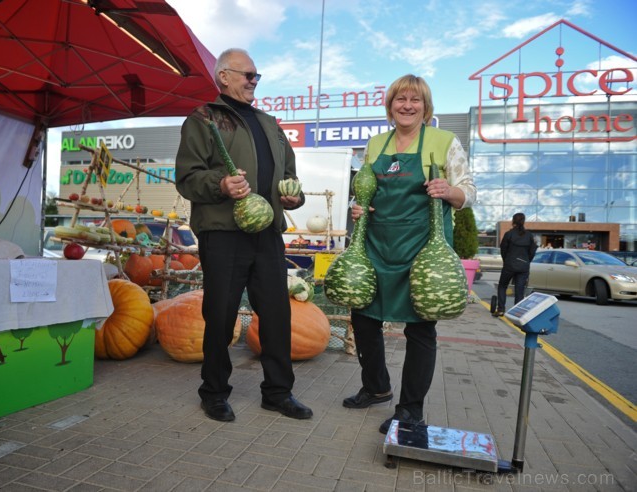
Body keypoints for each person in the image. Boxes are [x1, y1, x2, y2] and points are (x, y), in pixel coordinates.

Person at [175, 48, 313, 422]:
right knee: (220, 315)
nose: (254, 81)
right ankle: (214, 392)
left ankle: (278, 392)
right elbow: (186, 178)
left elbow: (292, 179)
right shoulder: (203, 119)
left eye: (257, 76)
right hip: (223, 233)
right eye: (248, 75)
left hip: (267, 231)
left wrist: (293, 196)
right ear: (224, 76)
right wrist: (221, 184)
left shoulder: (271, 124)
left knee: (277, 314)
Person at [342, 75, 477, 435]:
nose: (407, 105)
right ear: (390, 106)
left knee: (419, 329)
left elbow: (469, 192)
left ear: (425, 107)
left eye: (414, 100)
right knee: (364, 319)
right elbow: (365, 192)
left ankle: (410, 410)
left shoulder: (444, 141)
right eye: (400, 99)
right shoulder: (375, 145)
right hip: (377, 244)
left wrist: (449, 190)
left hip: (423, 248)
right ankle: (376, 387)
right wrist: (360, 208)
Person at [493, 213, 538, 316]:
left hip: (509, 265)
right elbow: (532, 252)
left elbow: (503, 250)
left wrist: (507, 260)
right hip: (523, 266)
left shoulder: (509, 234)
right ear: (523, 221)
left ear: (513, 221)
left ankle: (500, 309)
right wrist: (527, 261)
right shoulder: (529, 235)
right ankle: (516, 313)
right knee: (519, 290)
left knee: (502, 286)